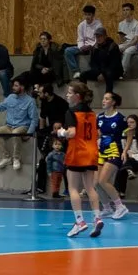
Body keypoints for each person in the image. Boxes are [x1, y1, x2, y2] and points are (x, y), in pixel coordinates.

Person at [59, 81, 107, 238]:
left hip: (77, 152)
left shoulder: (71, 112)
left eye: (69, 92)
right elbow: (98, 134)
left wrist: (61, 132)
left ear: (77, 96)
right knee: (90, 188)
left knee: (73, 188)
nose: (67, 95)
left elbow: (71, 133)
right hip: (92, 152)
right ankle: (97, 217)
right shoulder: (92, 113)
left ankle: (79, 221)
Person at [0, 75, 39, 175]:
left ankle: (16, 158)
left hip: (22, 126)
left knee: (16, 133)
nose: (13, 87)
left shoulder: (30, 101)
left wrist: (29, 133)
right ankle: (6, 157)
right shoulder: (10, 97)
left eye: (16, 86)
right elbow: (0, 107)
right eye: (13, 85)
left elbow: (34, 119)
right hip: (9, 126)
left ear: (22, 87)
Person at [95, 91, 129, 218]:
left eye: (107, 99)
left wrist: (125, 151)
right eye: (103, 98)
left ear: (113, 102)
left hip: (115, 151)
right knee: (96, 183)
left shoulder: (120, 118)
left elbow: (130, 134)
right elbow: (98, 134)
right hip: (101, 151)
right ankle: (107, 207)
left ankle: (120, 207)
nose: (103, 101)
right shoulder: (100, 117)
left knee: (103, 180)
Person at [64, 5, 101, 79]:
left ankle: (95, 72)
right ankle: (76, 71)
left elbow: (98, 39)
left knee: (97, 50)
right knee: (68, 51)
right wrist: (81, 47)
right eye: (85, 14)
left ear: (93, 15)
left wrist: (91, 46)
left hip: (94, 46)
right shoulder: (81, 25)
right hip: (83, 46)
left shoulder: (98, 25)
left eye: (89, 15)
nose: (87, 17)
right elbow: (80, 39)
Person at [116, 3, 138, 77]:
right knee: (115, 49)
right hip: (124, 43)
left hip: (133, 45)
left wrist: (126, 46)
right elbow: (122, 40)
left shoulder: (136, 23)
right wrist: (122, 38)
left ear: (132, 11)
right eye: (124, 10)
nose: (125, 12)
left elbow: (136, 40)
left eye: (127, 10)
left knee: (127, 51)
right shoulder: (121, 24)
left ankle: (122, 72)